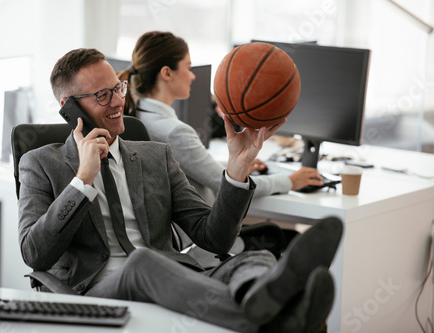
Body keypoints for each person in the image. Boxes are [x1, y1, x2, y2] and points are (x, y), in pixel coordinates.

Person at [18, 47, 343, 333]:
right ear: (67, 107)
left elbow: (213, 238)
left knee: (252, 258)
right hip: (95, 295)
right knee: (141, 263)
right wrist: (82, 180)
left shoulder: (155, 155)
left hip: (177, 281)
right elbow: (35, 254)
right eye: (103, 95)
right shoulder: (40, 164)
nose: (119, 101)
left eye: (118, 87)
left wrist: (237, 166)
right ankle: (270, 326)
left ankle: (275, 309)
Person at [118, 31, 324, 199]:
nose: (192, 76)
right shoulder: (175, 132)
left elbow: (191, 166)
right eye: (188, 68)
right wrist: (290, 181)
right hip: (199, 242)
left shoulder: (133, 118)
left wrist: (234, 165)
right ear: (167, 73)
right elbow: (225, 183)